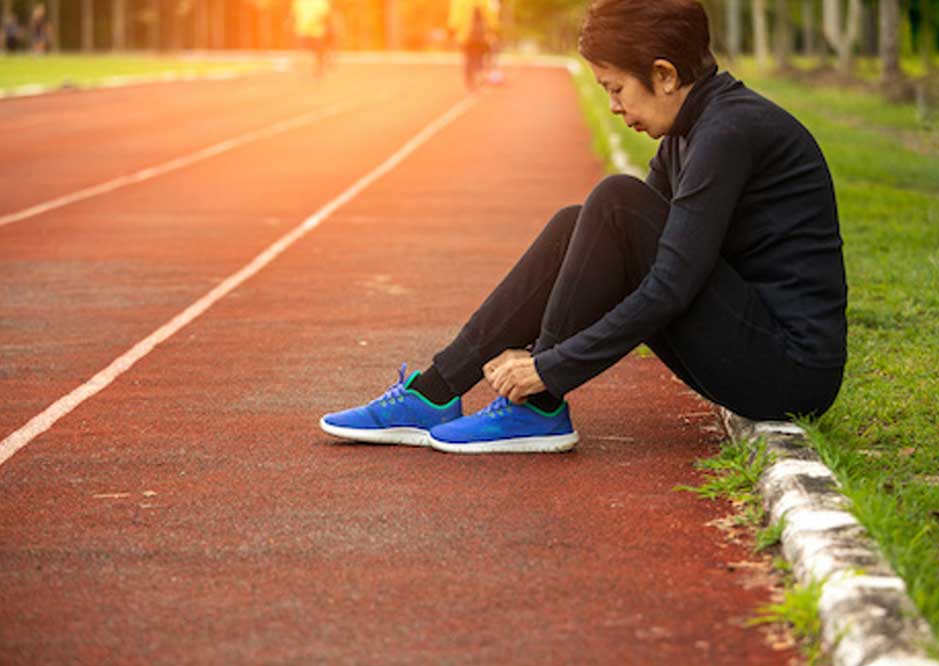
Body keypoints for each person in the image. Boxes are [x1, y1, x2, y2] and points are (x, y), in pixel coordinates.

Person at [320, 0, 847, 454]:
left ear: (664, 75)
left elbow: (669, 287)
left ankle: (539, 404)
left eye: (617, 89)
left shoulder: (728, 132)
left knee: (616, 200)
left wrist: (549, 366)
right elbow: (629, 255)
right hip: (753, 344)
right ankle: (435, 392)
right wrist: (545, 354)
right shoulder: (690, 132)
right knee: (582, 220)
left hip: (789, 372)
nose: (615, 107)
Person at [448, 0, 499, 90]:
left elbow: (455, 17)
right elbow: (491, 15)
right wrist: (494, 28)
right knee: (479, 55)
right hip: (478, 35)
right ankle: (478, 74)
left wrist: (453, 29)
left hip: (467, 35)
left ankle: (471, 79)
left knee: (469, 57)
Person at [291, 0, 337, 78]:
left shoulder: (320, 2)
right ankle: (304, 68)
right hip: (303, 30)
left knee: (319, 51)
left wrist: (327, 26)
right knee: (308, 50)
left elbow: (326, 15)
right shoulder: (300, 2)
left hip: (316, 30)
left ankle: (319, 69)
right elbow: (294, 15)